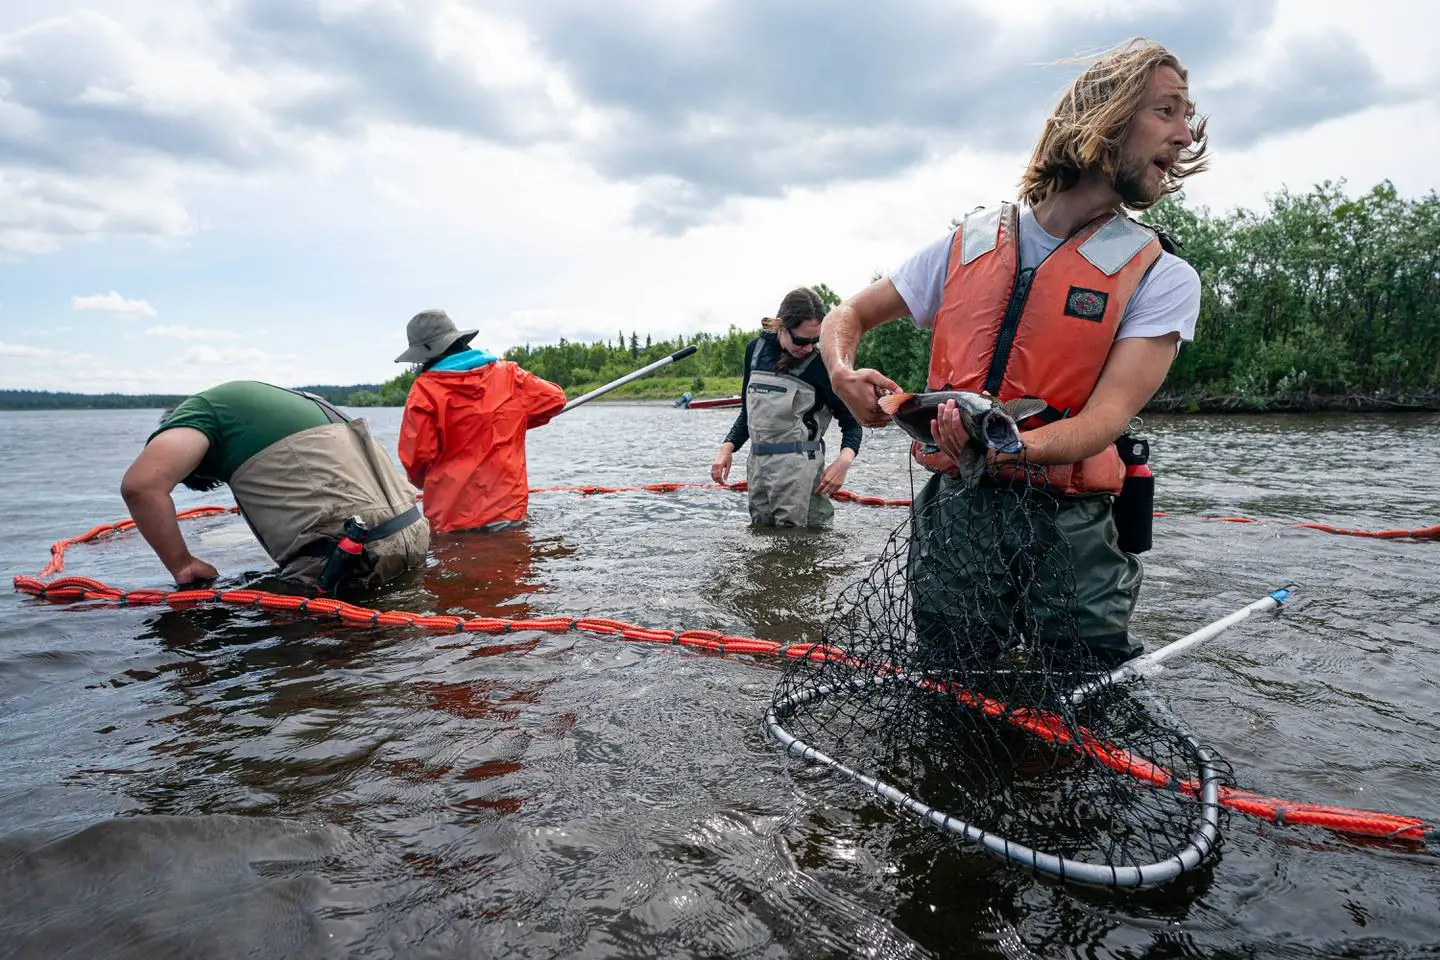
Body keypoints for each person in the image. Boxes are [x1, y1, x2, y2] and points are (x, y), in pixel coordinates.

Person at [820, 38, 1208, 668]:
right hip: (955, 521)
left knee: (1086, 702)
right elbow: (849, 314)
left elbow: (1103, 422)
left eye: (1187, 117)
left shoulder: (1164, 277)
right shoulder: (968, 242)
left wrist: (1003, 443)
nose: (1185, 135)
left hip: (1072, 528)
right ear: (1103, 117)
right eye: (1167, 111)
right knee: (953, 693)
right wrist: (841, 372)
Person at [120, 381, 429, 592]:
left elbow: (141, 487)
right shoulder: (279, 401)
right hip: (414, 539)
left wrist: (183, 565)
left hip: (353, 558)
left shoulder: (201, 413)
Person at [396, 309, 567, 534]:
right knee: (512, 567)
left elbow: (417, 459)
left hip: (450, 517)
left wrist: (422, 483)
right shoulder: (509, 375)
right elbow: (555, 398)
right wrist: (510, 420)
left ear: (425, 353)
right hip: (507, 513)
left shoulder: (424, 390)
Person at [711, 287, 863, 529]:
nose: (809, 348)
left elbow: (852, 423)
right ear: (781, 325)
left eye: (816, 340)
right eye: (802, 341)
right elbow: (748, 412)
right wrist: (726, 449)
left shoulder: (821, 365)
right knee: (761, 535)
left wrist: (842, 463)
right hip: (758, 464)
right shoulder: (755, 351)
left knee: (799, 541)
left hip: (799, 467)